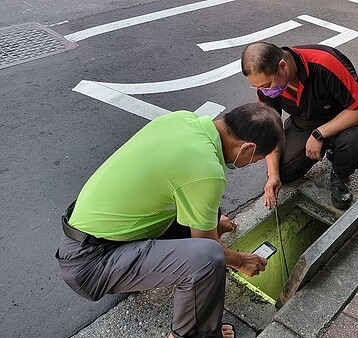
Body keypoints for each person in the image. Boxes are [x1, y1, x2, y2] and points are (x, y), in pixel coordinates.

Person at [55, 103, 284, 338]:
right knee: (208, 258)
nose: (251, 164)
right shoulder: (207, 171)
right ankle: (192, 334)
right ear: (247, 148)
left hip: (82, 237)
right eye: (256, 160)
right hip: (91, 264)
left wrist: (212, 223)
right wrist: (240, 261)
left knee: (206, 212)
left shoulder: (183, 120)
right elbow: (208, 249)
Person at [241, 42, 358, 210]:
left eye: (266, 85)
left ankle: (340, 175)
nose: (264, 91)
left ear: (283, 66)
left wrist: (320, 134)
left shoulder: (325, 63)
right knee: (284, 173)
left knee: (356, 140)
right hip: (305, 123)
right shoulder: (267, 86)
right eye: (256, 86)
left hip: (344, 117)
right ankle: (331, 147)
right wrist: (273, 175)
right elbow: (270, 129)